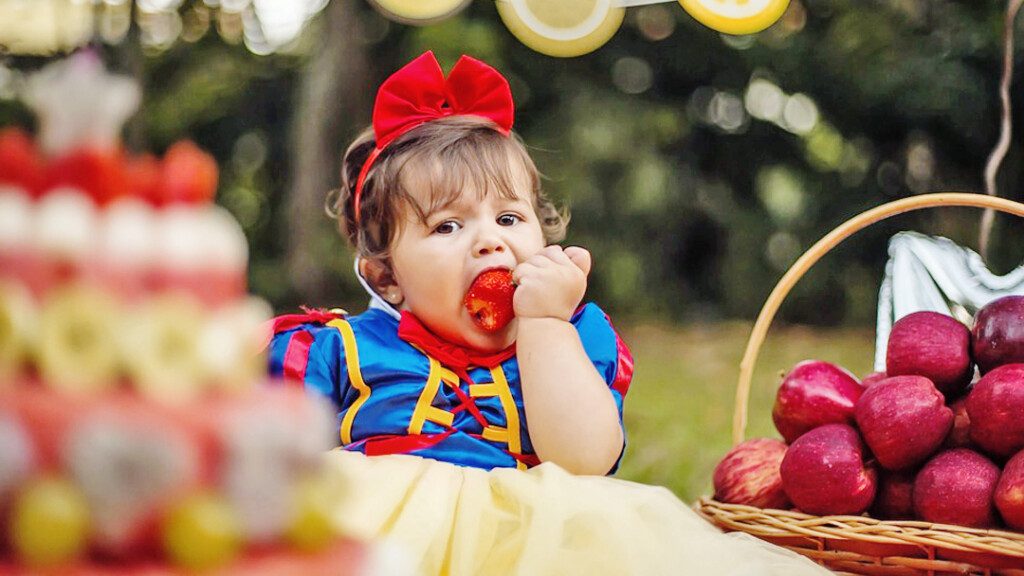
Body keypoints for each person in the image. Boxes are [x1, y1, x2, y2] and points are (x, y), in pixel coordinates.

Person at [267, 51, 830, 576]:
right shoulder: (342, 348)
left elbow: (584, 460)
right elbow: (262, 461)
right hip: (387, 535)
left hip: (539, 541)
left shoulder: (570, 336)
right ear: (386, 275)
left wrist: (544, 324)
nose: (489, 242)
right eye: (447, 226)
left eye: (509, 219)